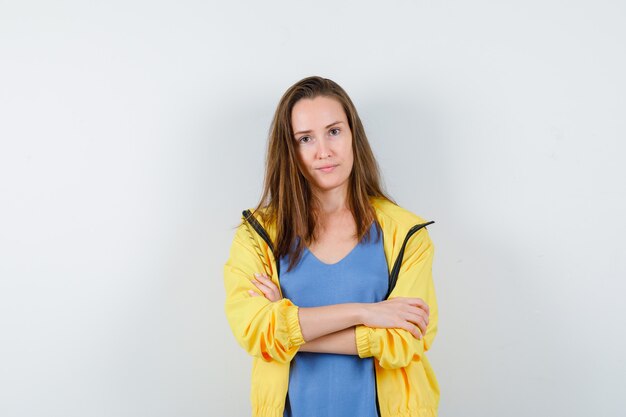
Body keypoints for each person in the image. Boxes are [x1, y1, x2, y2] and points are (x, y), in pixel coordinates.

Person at [223, 76, 439, 417]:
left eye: (334, 131)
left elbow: (405, 340)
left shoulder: (406, 234)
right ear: (289, 150)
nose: (324, 151)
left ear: (353, 135)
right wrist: (365, 312)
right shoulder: (257, 235)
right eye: (305, 138)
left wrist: (291, 327)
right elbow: (256, 332)